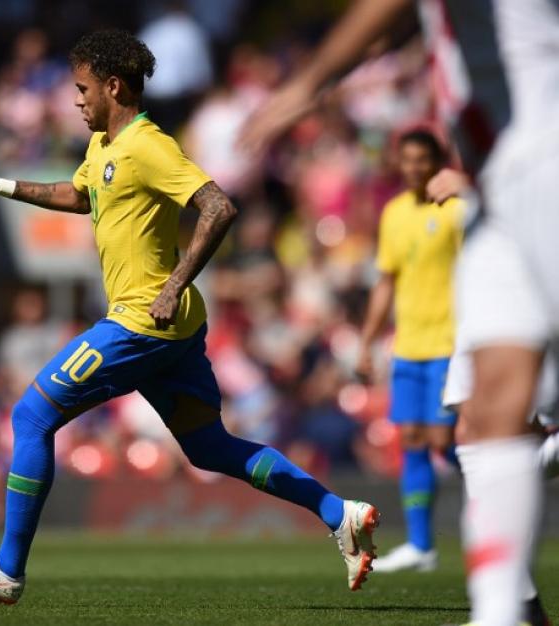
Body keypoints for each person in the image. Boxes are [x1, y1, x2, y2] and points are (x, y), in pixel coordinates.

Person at [0, 29, 379, 605]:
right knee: (209, 447)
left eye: (82, 88)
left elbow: (218, 206)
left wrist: (173, 284)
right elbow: (78, 195)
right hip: (174, 329)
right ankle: (337, 512)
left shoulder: (148, 145)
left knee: (32, 415)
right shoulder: (102, 150)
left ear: (113, 86)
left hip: (143, 321)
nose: (75, 100)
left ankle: (8, 568)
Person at [240, 1, 559, 623]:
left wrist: (308, 83)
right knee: (485, 417)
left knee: (493, 420)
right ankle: (503, 612)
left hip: (547, 166)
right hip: (498, 187)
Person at [355, 129, 463, 573]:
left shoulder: (458, 209)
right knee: (413, 441)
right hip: (410, 345)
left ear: (439, 161)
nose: (415, 167)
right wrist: (366, 341)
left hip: (451, 341)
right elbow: (387, 281)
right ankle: (422, 545)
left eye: (424, 159)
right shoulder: (395, 213)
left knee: (443, 440)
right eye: (408, 159)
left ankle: (513, 482)